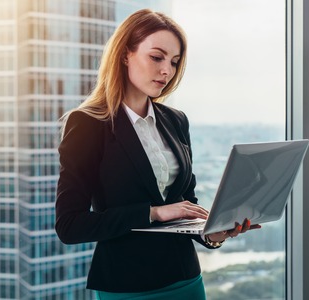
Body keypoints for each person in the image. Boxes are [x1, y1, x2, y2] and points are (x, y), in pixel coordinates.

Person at [55, 8, 260, 300]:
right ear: (125, 54)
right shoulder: (88, 124)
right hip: (127, 285)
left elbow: (185, 206)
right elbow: (69, 226)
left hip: (185, 278)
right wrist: (153, 213)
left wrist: (212, 233)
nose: (167, 70)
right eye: (157, 57)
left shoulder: (176, 120)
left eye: (175, 62)